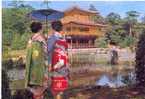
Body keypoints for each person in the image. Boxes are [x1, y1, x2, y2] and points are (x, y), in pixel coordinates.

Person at [25, 22, 48, 99]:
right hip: (40, 69)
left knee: (35, 91)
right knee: (40, 91)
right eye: (41, 28)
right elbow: (46, 54)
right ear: (40, 29)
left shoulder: (30, 41)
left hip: (31, 69)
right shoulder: (41, 40)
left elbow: (28, 56)